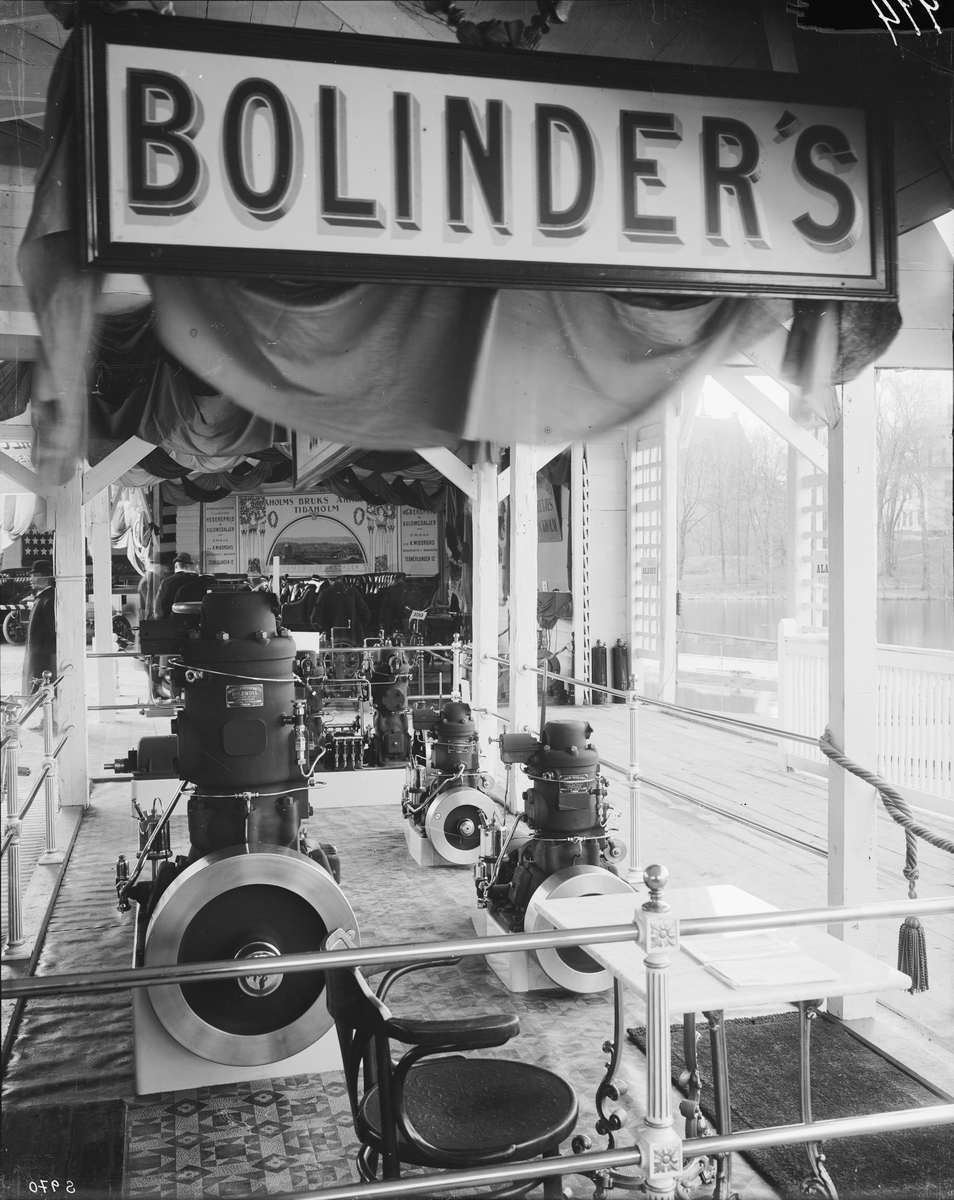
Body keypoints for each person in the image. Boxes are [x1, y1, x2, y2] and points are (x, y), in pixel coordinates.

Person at [21, 559, 56, 699]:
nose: (31, 579)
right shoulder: (43, 598)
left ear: (46, 577)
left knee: (42, 693)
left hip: (43, 656)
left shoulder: (48, 599)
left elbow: (54, 630)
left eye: (34, 575)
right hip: (38, 655)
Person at [154, 552, 199, 618]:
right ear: (188, 566)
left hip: (172, 620)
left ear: (175, 566)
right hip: (193, 619)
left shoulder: (166, 582)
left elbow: (158, 608)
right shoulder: (195, 580)